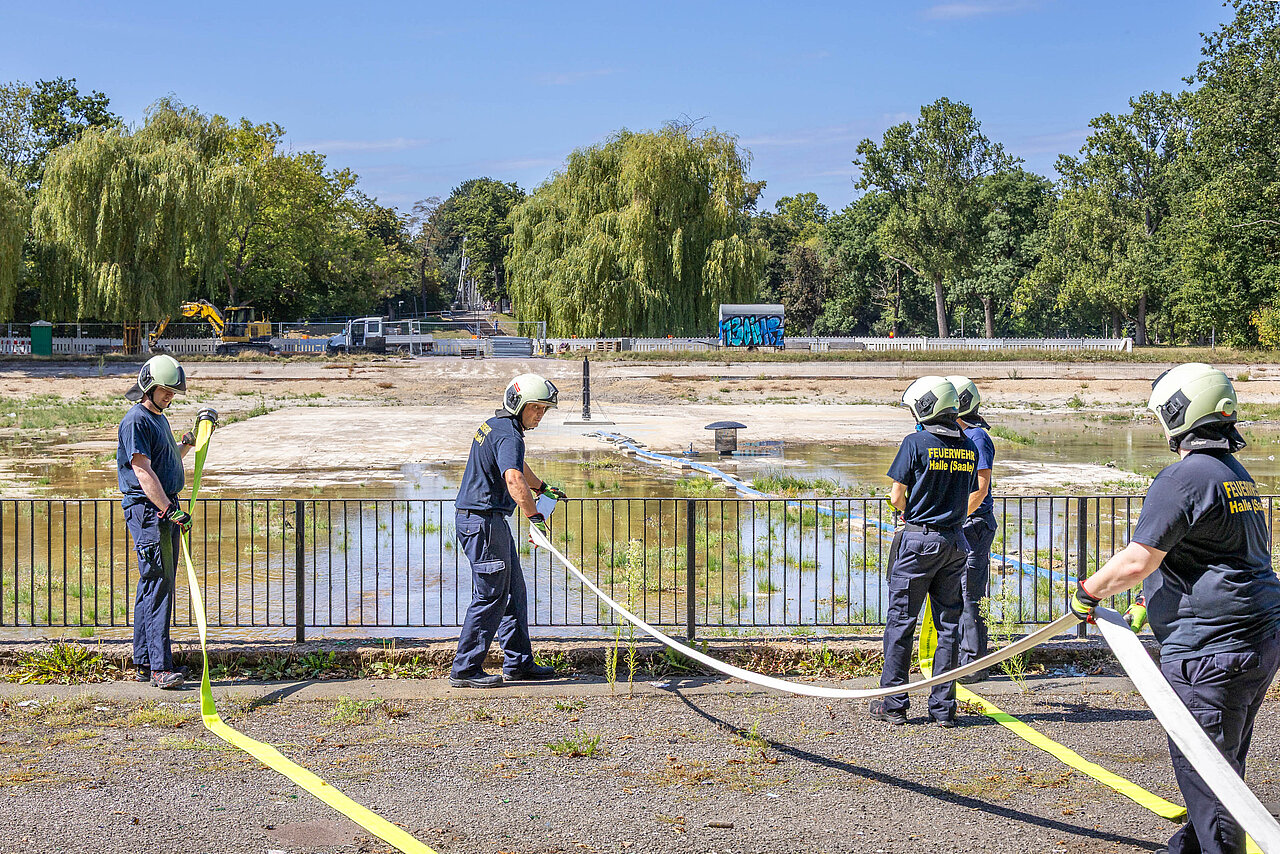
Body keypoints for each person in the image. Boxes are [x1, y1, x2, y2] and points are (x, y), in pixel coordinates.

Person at [1071, 364, 1280, 854]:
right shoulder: (1235, 475)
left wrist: (1089, 593)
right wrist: (1153, 599)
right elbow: (1219, 552)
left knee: (1207, 772)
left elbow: (1137, 560)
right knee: (1219, 763)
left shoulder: (1184, 477)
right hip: (1256, 638)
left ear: (1175, 413)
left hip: (1211, 648)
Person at [870, 376, 978, 727]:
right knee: (948, 626)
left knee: (901, 622)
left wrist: (906, 512)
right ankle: (944, 709)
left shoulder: (915, 443)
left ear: (925, 406)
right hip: (955, 542)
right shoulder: (968, 446)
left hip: (918, 542)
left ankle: (894, 704)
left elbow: (896, 496)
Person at [450, 373, 569, 688]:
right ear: (518, 404)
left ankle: (518, 664)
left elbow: (518, 467)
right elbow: (513, 478)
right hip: (483, 522)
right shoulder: (509, 434)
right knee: (490, 594)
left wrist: (543, 488)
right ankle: (464, 669)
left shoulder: (498, 426)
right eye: (536, 408)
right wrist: (535, 516)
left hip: (488, 522)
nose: (540, 415)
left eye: (544, 409)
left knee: (513, 592)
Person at [118, 354, 217, 690]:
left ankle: (145, 662)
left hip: (160, 510)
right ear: (148, 386)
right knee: (159, 587)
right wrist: (168, 509)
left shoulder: (157, 419)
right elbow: (143, 471)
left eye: (173, 391)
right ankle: (161, 668)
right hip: (150, 512)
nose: (170, 395)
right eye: (164, 390)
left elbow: (163, 459)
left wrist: (187, 446)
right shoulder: (137, 420)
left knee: (151, 585)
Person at [947, 376, 997, 684]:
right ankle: (961, 658)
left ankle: (974, 663)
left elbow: (981, 487)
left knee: (970, 594)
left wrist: (955, 517)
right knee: (957, 593)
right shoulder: (962, 435)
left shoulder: (977, 438)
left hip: (974, 525)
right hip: (962, 524)